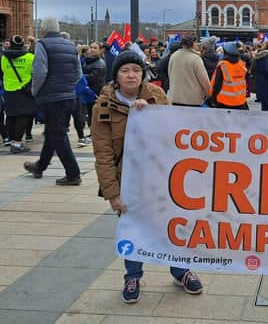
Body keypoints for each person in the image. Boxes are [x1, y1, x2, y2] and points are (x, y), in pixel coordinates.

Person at [91, 51, 203, 304]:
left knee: (172, 225)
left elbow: (175, 134)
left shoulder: (156, 96)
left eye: (136, 70)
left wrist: (151, 112)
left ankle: (180, 271)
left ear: (143, 74)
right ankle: (133, 276)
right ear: (116, 76)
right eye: (125, 70)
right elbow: (103, 154)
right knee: (134, 228)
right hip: (128, 180)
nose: (131, 75)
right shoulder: (103, 107)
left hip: (161, 177)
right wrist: (112, 193)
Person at [23, 18, 82, 186]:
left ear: (42, 31)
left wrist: (35, 90)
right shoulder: (71, 45)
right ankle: (40, 166)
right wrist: (68, 87)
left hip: (52, 97)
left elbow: (40, 71)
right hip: (69, 96)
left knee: (58, 134)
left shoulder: (42, 44)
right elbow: (78, 73)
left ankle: (73, 173)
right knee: (52, 132)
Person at [1, 35, 36, 154]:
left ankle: (12, 141)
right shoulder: (30, 57)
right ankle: (17, 144)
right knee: (23, 117)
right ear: (22, 45)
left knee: (11, 116)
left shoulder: (3, 57)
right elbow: (37, 73)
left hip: (9, 90)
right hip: (24, 90)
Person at [167, 35, 210, 106]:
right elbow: (204, 80)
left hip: (175, 97)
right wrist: (208, 94)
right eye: (196, 42)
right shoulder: (196, 59)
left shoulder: (174, 56)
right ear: (192, 44)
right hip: (192, 100)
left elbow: (170, 74)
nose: (197, 44)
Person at [207, 41, 249, 110]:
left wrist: (213, 99)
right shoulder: (241, 64)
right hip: (240, 101)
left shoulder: (223, 65)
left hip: (224, 102)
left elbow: (217, 85)